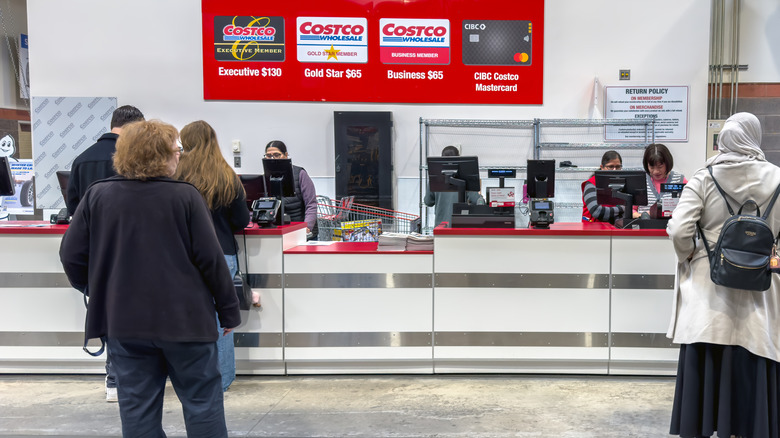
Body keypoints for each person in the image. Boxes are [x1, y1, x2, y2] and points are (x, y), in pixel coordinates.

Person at [59, 120, 240, 438]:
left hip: (125, 323)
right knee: (203, 406)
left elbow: (71, 256)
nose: (179, 156)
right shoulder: (185, 196)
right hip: (187, 322)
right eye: (176, 150)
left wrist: (97, 289)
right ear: (160, 155)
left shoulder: (98, 196)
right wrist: (228, 310)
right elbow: (211, 261)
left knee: (137, 410)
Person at [667, 112, 780, 438]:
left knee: (706, 368)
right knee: (754, 353)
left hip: (707, 300)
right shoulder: (776, 177)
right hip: (759, 296)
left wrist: (689, 255)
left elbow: (679, 230)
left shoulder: (705, 177)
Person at [64, 104, 144, 402]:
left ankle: (114, 378)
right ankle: (128, 377)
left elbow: (74, 212)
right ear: (134, 127)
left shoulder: (82, 160)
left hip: (96, 254)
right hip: (131, 251)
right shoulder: (133, 161)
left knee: (108, 316)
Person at [174, 120, 249, 392]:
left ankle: (190, 378)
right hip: (222, 253)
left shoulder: (176, 175)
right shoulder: (227, 175)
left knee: (185, 316)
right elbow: (240, 219)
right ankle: (223, 379)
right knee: (222, 321)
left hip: (183, 255)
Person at [66, 105, 144, 215]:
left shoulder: (81, 159)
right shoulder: (135, 158)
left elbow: (73, 206)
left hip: (91, 229)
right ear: (136, 128)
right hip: (123, 228)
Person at [264, 140, 318, 239]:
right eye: (269, 155)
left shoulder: (300, 174)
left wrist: (307, 226)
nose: (273, 158)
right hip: (279, 231)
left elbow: (311, 204)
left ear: (286, 155)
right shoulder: (266, 177)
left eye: (277, 155)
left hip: (301, 230)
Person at [424, 145, 485, 227]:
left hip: (440, 228)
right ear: (459, 159)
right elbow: (478, 202)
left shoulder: (435, 179)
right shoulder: (465, 178)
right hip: (459, 229)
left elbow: (428, 202)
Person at [581, 150, 641, 223]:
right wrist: (623, 209)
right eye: (610, 167)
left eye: (618, 167)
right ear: (602, 167)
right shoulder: (591, 184)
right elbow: (597, 211)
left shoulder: (622, 185)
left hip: (614, 229)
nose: (614, 170)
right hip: (593, 230)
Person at [639, 143, 686, 214]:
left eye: (660, 167)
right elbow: (631, 209)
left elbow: (689, 207)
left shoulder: (680, 180)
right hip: (644, 224)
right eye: (651, 167)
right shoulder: (640, 181)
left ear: (667, 163)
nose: (656, 171)